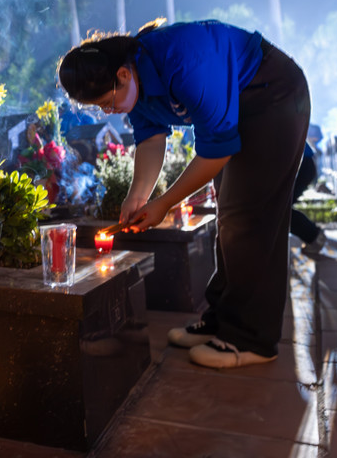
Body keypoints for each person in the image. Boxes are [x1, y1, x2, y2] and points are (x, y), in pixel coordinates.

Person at [58, 19, 310, 369]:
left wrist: (163, 204)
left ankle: (253, 339)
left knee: (249, 219)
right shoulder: (135, 78)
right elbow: (150, 139)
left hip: (272, 96)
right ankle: (222, 320)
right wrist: (138, 195)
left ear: (123, 75)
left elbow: (215, 152)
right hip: (240, 107)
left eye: (106, 102)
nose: (108, 112)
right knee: (230, 217)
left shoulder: (183, 60)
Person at [292, 141, 327, 255]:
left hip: (303, 164)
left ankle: (315, 237)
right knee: (281, 209)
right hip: (305, 163)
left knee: (281, 210)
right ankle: (315, 236)